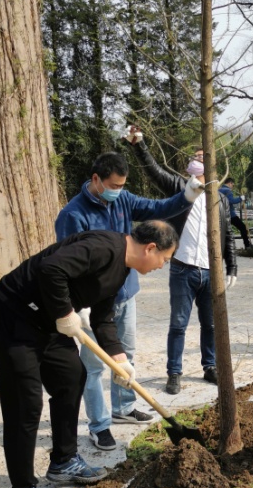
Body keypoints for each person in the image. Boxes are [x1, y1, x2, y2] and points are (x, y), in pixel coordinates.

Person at [0, 221, 180, 488]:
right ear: (150, 248)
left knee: (72, 377)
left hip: (46, 323)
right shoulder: (104, 247)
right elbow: (51, 269)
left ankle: (63, 460)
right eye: (164, 259)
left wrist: (120, 359)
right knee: (26, 405)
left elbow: (103, 318)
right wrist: (64, 312)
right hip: (11, 316)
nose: (161, 266)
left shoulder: (121, 270)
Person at [55, 152, 202, 451]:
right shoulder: (73, 214)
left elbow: (158, 208)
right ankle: (99, 424)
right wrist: (75, 306)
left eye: (122, 185)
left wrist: (186, 196)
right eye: (113, 184)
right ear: (96, 179)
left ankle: (123, 407)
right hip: (91, 302)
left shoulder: (122, 199)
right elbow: (63, 264)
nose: (118, 190)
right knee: (94, 366)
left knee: (125, 357)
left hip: (124, 292)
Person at [123, 129, 237, 395]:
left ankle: (209, 366)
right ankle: (174, 372)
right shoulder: (179, 186)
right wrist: (139, 144)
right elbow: (153, 170)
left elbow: (228, 232)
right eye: (195, 156)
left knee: (210, 324)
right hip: (183, 269)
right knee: (178, 324)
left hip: (211, 270)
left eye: (203, 157)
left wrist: (232, 266)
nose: (198, 160)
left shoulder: (220, 198)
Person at [219, 177, 252, 249]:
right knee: (242, 227)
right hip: (230, 214)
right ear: (230, 183)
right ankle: (247, 245)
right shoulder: (228, 190)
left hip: (221, 214)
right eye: (232, 185)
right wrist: (241, 198)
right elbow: (231, 201)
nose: (232, 187)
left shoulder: (219, 190)